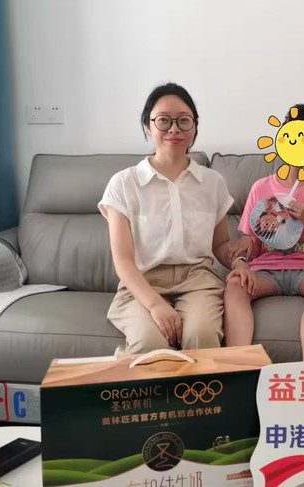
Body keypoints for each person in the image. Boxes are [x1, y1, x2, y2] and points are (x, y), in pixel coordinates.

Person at [98, 82, 240, 355]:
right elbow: (123, 261)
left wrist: (240, 261)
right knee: (150, 344)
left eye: (184, 120)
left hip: (197, 281)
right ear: (147, 126)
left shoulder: (213, 183)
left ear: (195, 127)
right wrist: (154, 305)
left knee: (202, 336)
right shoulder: (123, 183)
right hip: (142, 282)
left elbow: (221, 244)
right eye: (163, 120)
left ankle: (205, 387)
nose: (174, 129)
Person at [224, 105, 304, 361]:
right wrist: (244, 254)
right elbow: (251, 245)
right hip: (266, 270)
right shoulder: (260, 187)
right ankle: (237, 365)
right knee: (235, 286)